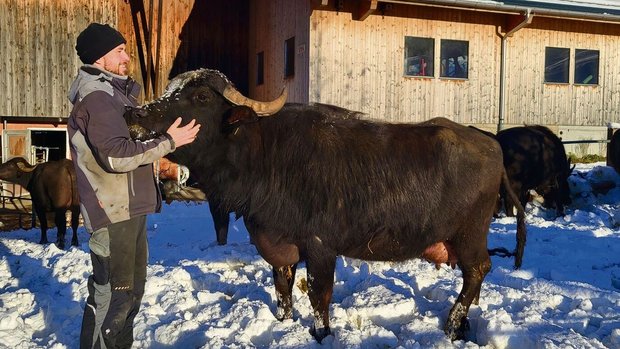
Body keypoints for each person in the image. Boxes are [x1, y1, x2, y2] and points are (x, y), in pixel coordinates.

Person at [67, 22, 200, 348]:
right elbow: (116, 157)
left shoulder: (116, 95)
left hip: (127, 209)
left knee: (130, 294)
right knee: (114, 296)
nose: (127, 56)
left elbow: (131, 147)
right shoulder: (97, 98)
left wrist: (161, 151)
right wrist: (169, 141)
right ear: (100, 58)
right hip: (112, 213)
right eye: (119, 51)